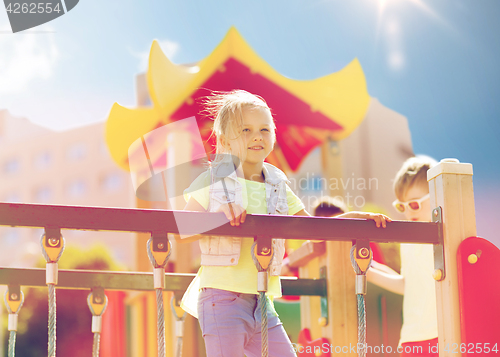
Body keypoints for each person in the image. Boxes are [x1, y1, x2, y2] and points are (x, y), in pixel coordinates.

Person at [178, 89, 391, 357]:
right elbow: (181, 230)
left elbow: (313, 229)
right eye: (245, 130)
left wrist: (352, 220)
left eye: (265, 129)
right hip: (222, 299)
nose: (257, 136)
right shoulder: (212, 182)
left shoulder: (277, 185)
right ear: (224, 141)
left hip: (262, 302)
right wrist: (218, 213)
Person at [366, 156, 439, 357]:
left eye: (414, 205)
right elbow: (408, 284)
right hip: (412, 336)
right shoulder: (408, 240)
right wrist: (369, 272)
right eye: (402, 206)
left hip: (441, 333)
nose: (408, 211)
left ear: (438, 196)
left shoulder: (446, 237)